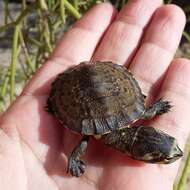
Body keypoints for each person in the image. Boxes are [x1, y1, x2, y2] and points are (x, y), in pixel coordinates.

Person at [0, 1, 189, 189]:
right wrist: (72, 158)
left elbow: (87, 140)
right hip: (88, 81)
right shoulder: (137, 115)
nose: (176, 154)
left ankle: (56, 103)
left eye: (167, 153)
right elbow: (142, 115)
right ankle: (56, 103)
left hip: (100, 82)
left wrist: (155, 109)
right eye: (165, 157)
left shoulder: (136, 115)